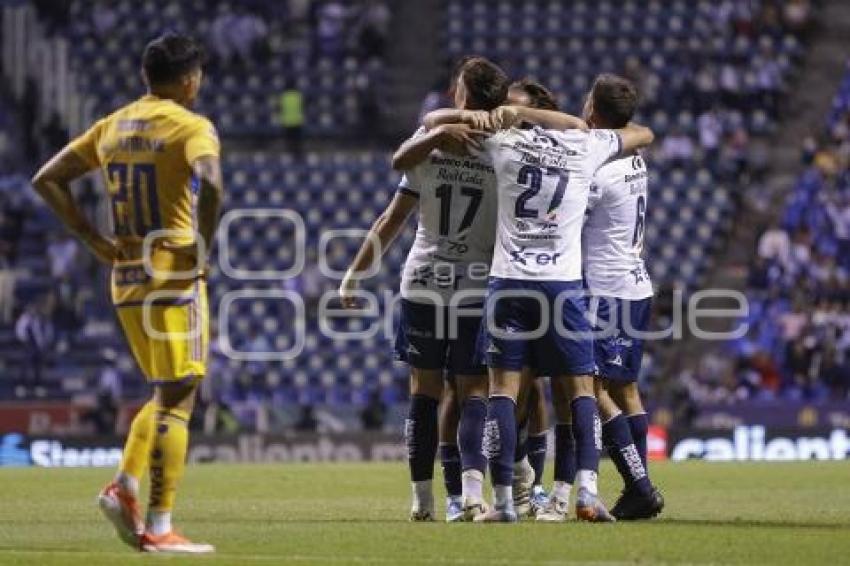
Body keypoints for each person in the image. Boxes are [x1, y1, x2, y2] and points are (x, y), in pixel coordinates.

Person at [31, 33, 223, 553]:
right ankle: (160, 526)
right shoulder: (191, 126)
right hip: (175, 277)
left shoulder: (113, 125)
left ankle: (125, 486)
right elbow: (214, 183)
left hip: (126, 281)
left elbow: (47, 178)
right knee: (181, 396)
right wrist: (201, 248)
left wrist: (94, 239)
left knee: (164, 391)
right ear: (189, 80)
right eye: (198, 76)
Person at [434, 87, 654, 523]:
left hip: (510, 283)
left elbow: (436, 123)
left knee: (502, 389)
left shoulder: (503, 143)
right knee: (580, 390)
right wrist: (564, 122)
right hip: (565, 286)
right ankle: (586, 494)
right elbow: (643, 133)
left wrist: (495, 116)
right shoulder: (587, 145)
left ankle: (503, 503)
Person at [340, 56, 507, 522]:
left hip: (424, 280)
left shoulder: (430, 147)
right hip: (476, 283)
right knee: (474, 390)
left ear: (463, 95)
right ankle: (474, 496)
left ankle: (422, 500)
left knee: (424, 392)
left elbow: (390, 220)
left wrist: (353, 275)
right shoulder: (506, 151)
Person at [570, 74, 664, 521]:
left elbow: (569, 219)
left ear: (594, 110)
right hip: (636, 285)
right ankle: (637, 488)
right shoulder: (635, 156)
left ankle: (640, 485)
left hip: (605, 290)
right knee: (626, 389)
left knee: (591, 385)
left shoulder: (600, 169)